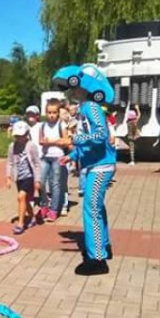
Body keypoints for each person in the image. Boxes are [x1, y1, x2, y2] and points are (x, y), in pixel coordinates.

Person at [53, 64, 116, 276]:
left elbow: (100, 135)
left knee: (91, 209)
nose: (71, 92)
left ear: (84, 87)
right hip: (96, 164)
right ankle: (103, 247)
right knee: (97, 208)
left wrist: (73, 139)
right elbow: (89, 144)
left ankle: (97, 259)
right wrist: (71, 156)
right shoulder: (85, 108)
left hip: (101, 166)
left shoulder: (91, 107)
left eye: (74, 88)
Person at [6, 121, 41, 234]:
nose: (19, 138)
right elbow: (9, 162)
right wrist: (8, 177)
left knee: (21, 197)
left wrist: (37, 180)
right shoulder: (12, 146)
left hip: (29, 176)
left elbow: (37, 164)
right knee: (25, 200)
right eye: (17, 136)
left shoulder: (31, 146)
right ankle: (33, 217)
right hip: (19, 177)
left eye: (21, 136)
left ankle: (21, 224)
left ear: (27, 134)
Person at [39, 99, 68, 222]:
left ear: (58, 113)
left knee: (55, 184)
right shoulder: (43, 125)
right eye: (49, 112)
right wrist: (54, 141)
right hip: (46, 156)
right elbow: (40, 140)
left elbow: (66, 141)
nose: (51, 115)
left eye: (54, 112)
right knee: (40, 181)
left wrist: (50, 141)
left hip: (58, 156)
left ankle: (54, 210)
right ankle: (44, 204)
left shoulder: (62, 125)